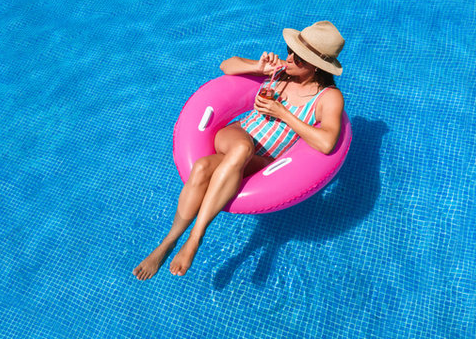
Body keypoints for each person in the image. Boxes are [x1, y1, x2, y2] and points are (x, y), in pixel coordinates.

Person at [133, 21, 347, 280]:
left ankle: (167, 243)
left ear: (316, 66)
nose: (290, 58)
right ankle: (195, 237)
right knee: (242, 146)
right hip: (235, 135)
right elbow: (226, 65)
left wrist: (283, 114)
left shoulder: (328, 97)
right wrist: (258, 67)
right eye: (291, 51)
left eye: (300, 58)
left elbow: (326, 142)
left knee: (202, 168)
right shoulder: (280, 69)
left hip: (260, 159)